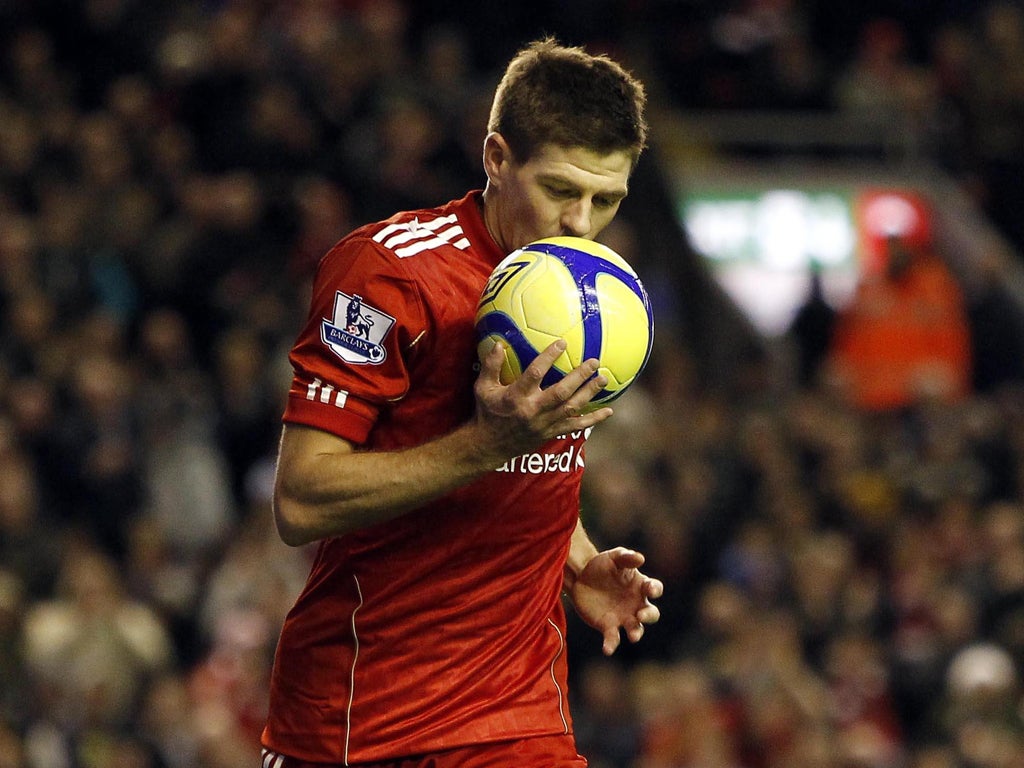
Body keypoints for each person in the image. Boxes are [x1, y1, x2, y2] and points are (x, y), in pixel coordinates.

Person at [261, 38, 664, 768]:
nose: (581, 222)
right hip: (369, 721)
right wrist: (486, 443)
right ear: (497, 158)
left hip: (520, 717)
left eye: (605, 199)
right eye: (561, 189)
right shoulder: (387, 276)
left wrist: (578, 567)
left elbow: (537, 457)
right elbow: (300, 500)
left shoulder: (594, 294)